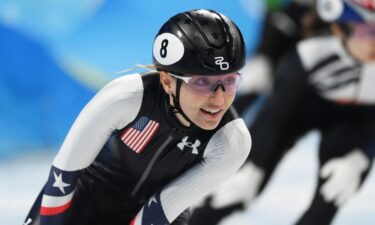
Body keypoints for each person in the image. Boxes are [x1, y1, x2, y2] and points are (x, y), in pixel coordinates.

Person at [23, 9, 251, 225]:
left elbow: (159, 210)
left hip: (159, 209)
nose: (219, 100)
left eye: (229, 82)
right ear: (167, 81)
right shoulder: (124, 98)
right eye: (202, 83)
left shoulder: (231, 142)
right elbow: (65, 174)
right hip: (86, 195)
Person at [188, 1, 375, 225]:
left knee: (335, 189)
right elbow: (274, 116)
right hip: (297, 111)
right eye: (368, 31)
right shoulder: (309, 55)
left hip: (356, 121)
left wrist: (361, 158)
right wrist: (254, 164)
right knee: (236, 191)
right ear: (338, 29)